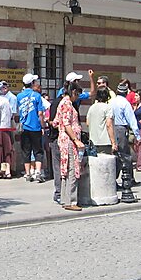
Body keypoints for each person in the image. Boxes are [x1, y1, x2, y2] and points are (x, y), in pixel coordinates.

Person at [53, 81, 86, 211]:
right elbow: (66, 124)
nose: (77, 97)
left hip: (63, 139)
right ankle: (71, 201)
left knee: (65, 169)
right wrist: (76, 139)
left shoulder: (62, 103)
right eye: (77, 95)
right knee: (72, 169)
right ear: (73, 92)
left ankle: (64, 198)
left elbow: (55, 122)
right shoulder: (67, 104)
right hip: (69, 141)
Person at [16, 73, 47, 182]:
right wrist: (43, 126)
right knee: (38, 151)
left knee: (26, 151)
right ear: (32, 83)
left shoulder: (19, 96)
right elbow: (40, 113)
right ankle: (38, 172)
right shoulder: (37, 96)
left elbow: (18, 111)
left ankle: (28, 173)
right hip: (36, 127)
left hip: (24, 128)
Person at [112, 81, 141, 185]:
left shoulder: (112, 101)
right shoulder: (125, 103)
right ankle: (128, 179)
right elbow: (131, 120)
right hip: (121, 129)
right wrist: (137, 136)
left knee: (115, 154)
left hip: (112, 128)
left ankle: (114, 178)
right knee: (125, 155)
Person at [85, 87, 117, 155]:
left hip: (93, 142)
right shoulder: (108, 108)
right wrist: (113, 142)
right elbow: (109, 125)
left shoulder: (91, 107)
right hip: (105, 142)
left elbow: (87, 123)